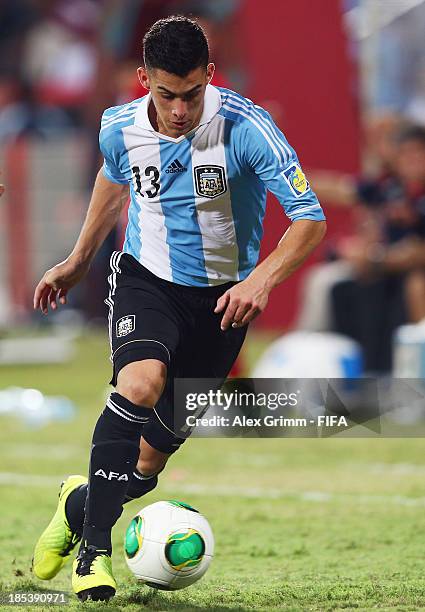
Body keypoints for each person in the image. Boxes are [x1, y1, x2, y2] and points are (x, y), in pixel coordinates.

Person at [31, 16, 326, 602]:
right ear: (144, 80)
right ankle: (92, 555)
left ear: (210, 76)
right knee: (138, 384)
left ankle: (76, 501)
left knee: (142, 470)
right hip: (149, 281)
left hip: (222, 303)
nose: (180, 110)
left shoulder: (246, 127)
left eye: (192, 94)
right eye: (166, 95)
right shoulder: (118, 126)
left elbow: (309, 216)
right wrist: (79, 259)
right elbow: (115, 180)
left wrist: (261, 280)